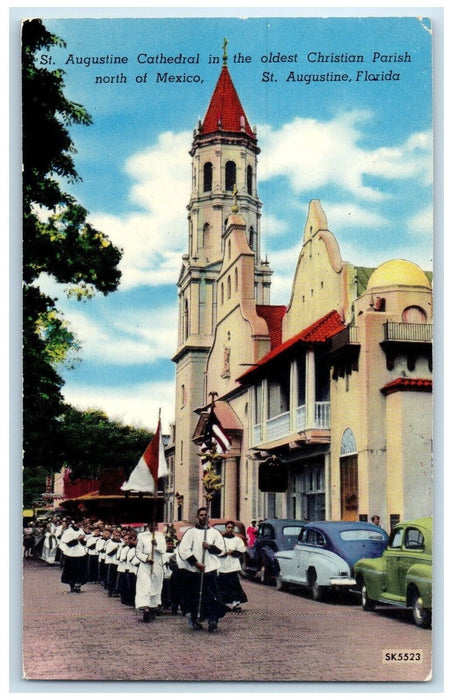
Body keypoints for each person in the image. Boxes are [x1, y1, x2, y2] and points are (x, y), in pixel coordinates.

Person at [176, 507, 225, 632]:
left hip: (210, 569)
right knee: (195, 596)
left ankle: (213, 619)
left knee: (213, 596)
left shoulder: (214, 533)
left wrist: (209, 547)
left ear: (208, 517)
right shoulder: (191, 533)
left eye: (206, 515)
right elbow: (183, 550)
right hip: (195, 570)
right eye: (201, 515)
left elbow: (221, 550)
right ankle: (195, 618)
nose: (204, 517)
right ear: (198, 517)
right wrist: (196, 563)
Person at [135, 523, 167, 622]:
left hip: (157, 564)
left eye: (155, 525)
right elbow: (138, 552)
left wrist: (156, 545)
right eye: (151, 524)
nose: (153, 527)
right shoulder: (142, 536)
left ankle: (152, 607)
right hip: (146, 565)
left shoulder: (160, 536)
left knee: (155, 586)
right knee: (145, 586)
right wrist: (146, 559)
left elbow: (163, 550)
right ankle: (146, 609)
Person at [217, 520, 248, 611]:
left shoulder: (237, 540)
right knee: (222, 584)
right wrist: (224, 553)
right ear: (226, 528)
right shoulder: (221, 539)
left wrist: (233, 552)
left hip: (233, 565)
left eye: (232, 528)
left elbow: (241, 550)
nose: (230, 529)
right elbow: (217, 550)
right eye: (228, 527)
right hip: (223, 565)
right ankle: (223, 603)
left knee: (234, 585)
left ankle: (236, 603)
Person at [60, 516, 88, 593]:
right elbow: (68, 544)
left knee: (80, 571)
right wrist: (77, 539)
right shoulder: (68, 531)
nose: (81, 524)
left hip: (80, 553)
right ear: (76, 523)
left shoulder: (81, 530)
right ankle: (72, 586)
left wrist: (82, 540)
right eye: (81, 522)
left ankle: (78, 585)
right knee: (71, 571)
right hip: (71, 553)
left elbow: (84, 543)